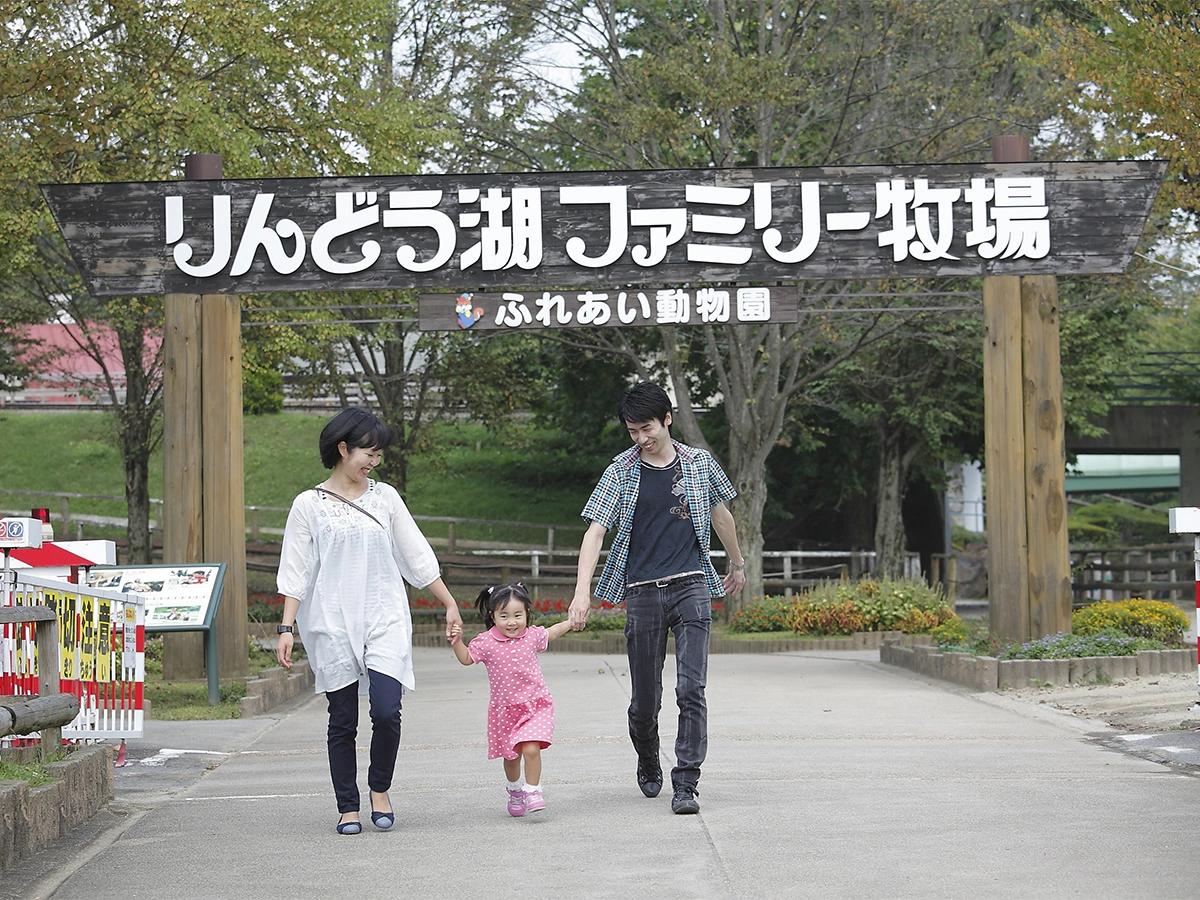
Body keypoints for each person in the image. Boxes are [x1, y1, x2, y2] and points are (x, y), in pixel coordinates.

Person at [276, 407, 463, 835]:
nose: (373, 463)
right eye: (368, 453)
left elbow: (415, 555)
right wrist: (287, 628)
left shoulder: (386, 497)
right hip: (332, 620)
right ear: (343, 449)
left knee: (387, 710)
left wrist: (449, 603)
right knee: (342, 718)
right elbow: (296, 570)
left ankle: (380, 788)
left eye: (378, 456)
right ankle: (348, 806)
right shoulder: (309, 505)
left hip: (383, 614)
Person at [568, 382, 745, 815]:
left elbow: (721, 515)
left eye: (646, 428)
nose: (641, 438)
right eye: (632, 431)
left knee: (692, 689)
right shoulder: (621, 471)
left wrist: (737, 564)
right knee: (645, 702)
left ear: (667, 419)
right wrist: (581, 594)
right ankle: (648, 757)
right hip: (643, 591)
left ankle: (686, 782)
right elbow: (595, 531)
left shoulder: (699, 464)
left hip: (692, 585)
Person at [449, 582, 574, 817]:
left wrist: (571, 622)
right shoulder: (486, 642)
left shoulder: (533, 636)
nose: (511, 622)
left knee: (531, 748)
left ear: (527, 613)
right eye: (504, 616)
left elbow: (552, 632)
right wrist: (457, 641)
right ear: (492, 616)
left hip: (535, 705)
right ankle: (515, 790)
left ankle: (533, 791)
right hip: (505, 711)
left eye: (518, 615)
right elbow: (466, 658)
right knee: (512, 757)